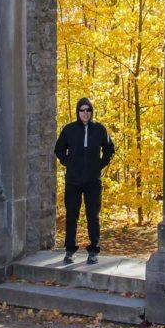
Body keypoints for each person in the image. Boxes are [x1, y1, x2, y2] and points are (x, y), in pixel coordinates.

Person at [54, 98, 114, 265]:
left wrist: (101, 164)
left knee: (93, 216)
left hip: (93, 181)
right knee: (71, 215)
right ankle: (70, 250)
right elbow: (58, 149)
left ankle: (94, 250)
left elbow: (110, 148)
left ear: (92, 111)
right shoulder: (69, 130)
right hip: (73, 180)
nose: (85, 113)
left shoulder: (100, 129)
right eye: (82, 110)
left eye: (88, 110)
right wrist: (69, 162)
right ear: (77, 111)